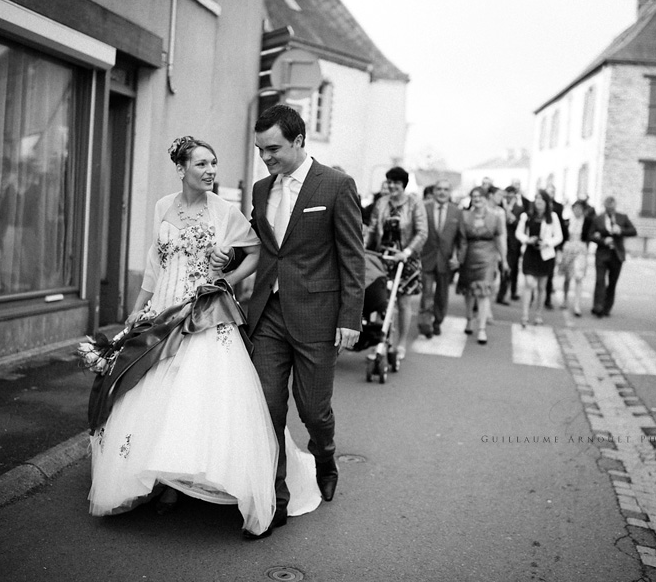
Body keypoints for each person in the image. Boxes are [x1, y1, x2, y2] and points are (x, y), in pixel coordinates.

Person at [88, 136, 321, 538]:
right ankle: (162, 479)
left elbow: (257, 253)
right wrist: (138, 308)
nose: (210, 170)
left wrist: (226, 275)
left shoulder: (225, 211)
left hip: (203, 315)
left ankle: (188, 483)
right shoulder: (164, 205)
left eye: (213, 163)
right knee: (150, 394)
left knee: (196, 398)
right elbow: (154, 263)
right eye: (201, 164)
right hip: (163, 311)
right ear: (181, 170)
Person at [213, 105, 365, 539]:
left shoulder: (336, 185)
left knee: (313, 410)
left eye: (274, 148)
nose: (266, 158)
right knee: (267, 409)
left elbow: (352, 257)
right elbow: (263, 244)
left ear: (299, 140)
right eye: (261, 150)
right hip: (269, 315)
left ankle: (326, 455)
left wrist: (350, 318)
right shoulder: (262, 190)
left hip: (318, 316)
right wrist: (232, 257)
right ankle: (273, 500)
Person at [369, 166, 428, 359]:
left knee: (403, 302)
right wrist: (363, 248)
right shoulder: (382, 202)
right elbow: (372, 228)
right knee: (380, 300)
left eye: (396, 183)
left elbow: (421, 232)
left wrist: (407, 251)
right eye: (389, 182)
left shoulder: (414, 203)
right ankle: (378, 339)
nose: (392, 186)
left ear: (403, 185)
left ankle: (401, 343)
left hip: (405, 258)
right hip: (383, 258)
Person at [457, 186, 507, 344]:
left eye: (480, 197)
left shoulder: (495, 217)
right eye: (474, 197)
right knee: (469, 291)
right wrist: (458, 258)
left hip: (487, 258)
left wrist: (504, 260)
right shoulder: (464, 216)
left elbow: (500, 240)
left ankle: (482, 328)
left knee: (484, 292)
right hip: (469, 256)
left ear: (486, 199)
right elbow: (461, 240)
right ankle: (469, 318)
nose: (477, 199)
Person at [418, 179, 461, 338]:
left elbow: (460, 238)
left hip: (446, 259)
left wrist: (458, 257)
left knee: (442, 295)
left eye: (445, 189)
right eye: (439, 189)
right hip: (426, 257)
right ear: (434, 191)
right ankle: (425, 323)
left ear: (449, 193)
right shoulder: (424, 208)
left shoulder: (456, 212)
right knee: (427, 293)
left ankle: (438, 321)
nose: (442, 192)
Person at [515, 191, 564, 326]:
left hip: (545, 254)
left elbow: (559, 236)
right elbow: (518, 233)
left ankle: (538, 314)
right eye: (536, 199)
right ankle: (525, 315)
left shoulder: (552, 217)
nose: (538, 202)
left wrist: (547, 243)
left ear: (546, 203)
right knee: (529, 283)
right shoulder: (526, 216)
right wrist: (527, 239)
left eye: (541, 200)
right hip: (530, 253)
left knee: (542, 286)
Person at [589, 196, 637, 317]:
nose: (610, 210)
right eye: (608, 208)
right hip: (602, 254)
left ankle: (607, 307)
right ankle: (598, 306)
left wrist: (620, 230)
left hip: (617, 255)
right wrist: (603, 240)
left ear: (615, 206)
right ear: (605, 207)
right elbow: (590, 235)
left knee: (612, 282)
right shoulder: (598, 219)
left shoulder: (622, 217)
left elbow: (633, 231)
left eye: (612, 208)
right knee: (600, 280)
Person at [557, 199, 593, 316]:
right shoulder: (567, 222)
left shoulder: (587, 222)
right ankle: (565, 299)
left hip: (580, 250)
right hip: (568, 249)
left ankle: (577, 304)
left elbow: (589, 235)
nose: (577, 211)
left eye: (580, 209)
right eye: (575, 208)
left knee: (578, 276)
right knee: (567, 276)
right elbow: (562, 236)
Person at [497, 185, 527, 304]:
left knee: (511, 269)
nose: (509, 197)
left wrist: (512, 218)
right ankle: (501, 294)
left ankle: (508, 292)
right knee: (503, 269)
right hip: (500, 241)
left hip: (513, 243)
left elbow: (520, 226)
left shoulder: (519, 209)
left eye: (512, 194)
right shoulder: (500, 206)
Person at [542, 185, 568, 309]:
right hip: (539, 243)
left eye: (552, 192)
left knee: (549, 273)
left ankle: (547, 298)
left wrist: (558, 245)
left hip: (551, 244)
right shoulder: (537, 207)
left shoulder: (558, 207)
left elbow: (560, 228)